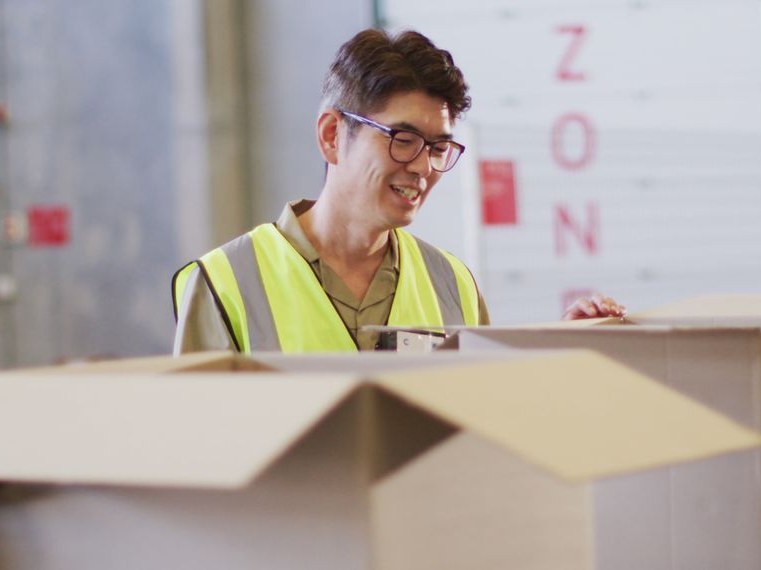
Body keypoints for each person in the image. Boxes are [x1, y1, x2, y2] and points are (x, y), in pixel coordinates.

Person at [172, 29, 623, 354]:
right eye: (402, 139)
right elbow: (198, 457)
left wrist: (570, 349)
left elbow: (485, 422)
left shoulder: (453, 284)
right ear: (332, 135)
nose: (424, 167)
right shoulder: (225, 284)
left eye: (439, 146)